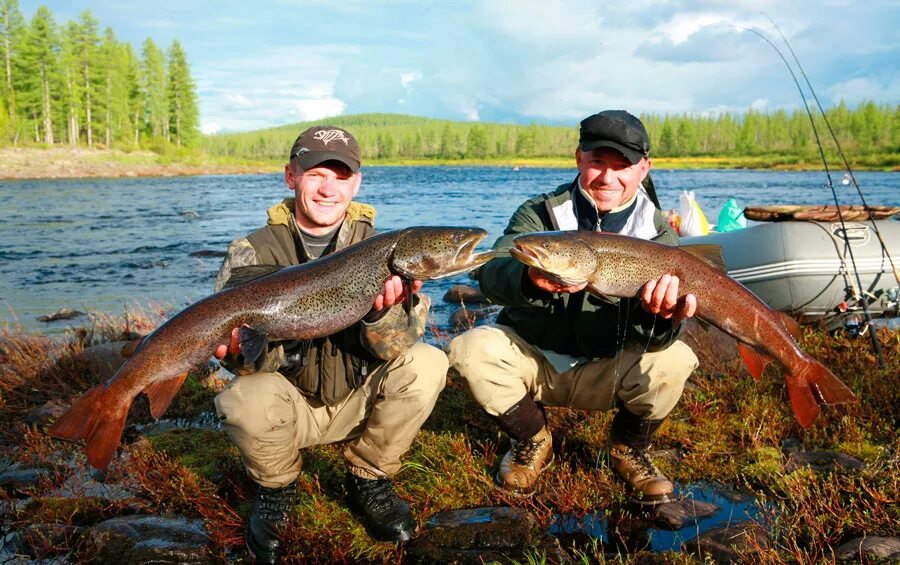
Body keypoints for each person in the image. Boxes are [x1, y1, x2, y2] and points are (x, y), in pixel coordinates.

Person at [212, 125, 448, 563]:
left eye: (340, 176)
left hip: (358, 400)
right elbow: (244, 368)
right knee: (241, 398)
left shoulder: (386, 252)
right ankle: (276, 488)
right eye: (315, 173)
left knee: (428, 361)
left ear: (355, 183)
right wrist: (243, 351)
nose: (328, 188)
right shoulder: (251, 250)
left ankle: (369, 476)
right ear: (291, 176)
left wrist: (380, 316)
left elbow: (398, 348)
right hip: (291, 406)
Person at [448, 110, 699, 504]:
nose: (607, 177)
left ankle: (629, 450)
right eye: (598, 162)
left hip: (610, 366)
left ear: (644, 168)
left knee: (676, 359)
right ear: (579, 158)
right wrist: (527, 278)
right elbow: (493, 268)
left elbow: (667, 334)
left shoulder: (658, 233)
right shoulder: (541, 214)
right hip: (537, 361)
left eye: (622, 166)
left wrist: (663, 317)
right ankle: (532, 439)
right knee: (470, 347)